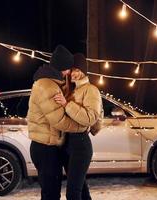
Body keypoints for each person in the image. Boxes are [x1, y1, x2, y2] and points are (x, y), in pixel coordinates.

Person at [27, 45, 87, 200]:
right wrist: (80, 127)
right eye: (68, 68)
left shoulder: (49, 83)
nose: (69, 72)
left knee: (51, 193)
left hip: (47, 146)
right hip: (45, 148)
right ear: (62, 67)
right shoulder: (47, 86)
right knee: (51, 194)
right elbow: (59, 121)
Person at [53, 53, 102, 200]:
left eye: (77, 70)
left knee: (73, 193)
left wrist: (67, 104)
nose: (73, 74)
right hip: (68, 143)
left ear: (83, 71)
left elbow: (90, 118)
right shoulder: (70, 90)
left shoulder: (91, 90)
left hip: (80, 145)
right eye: (71, 70)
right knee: (82, 191)